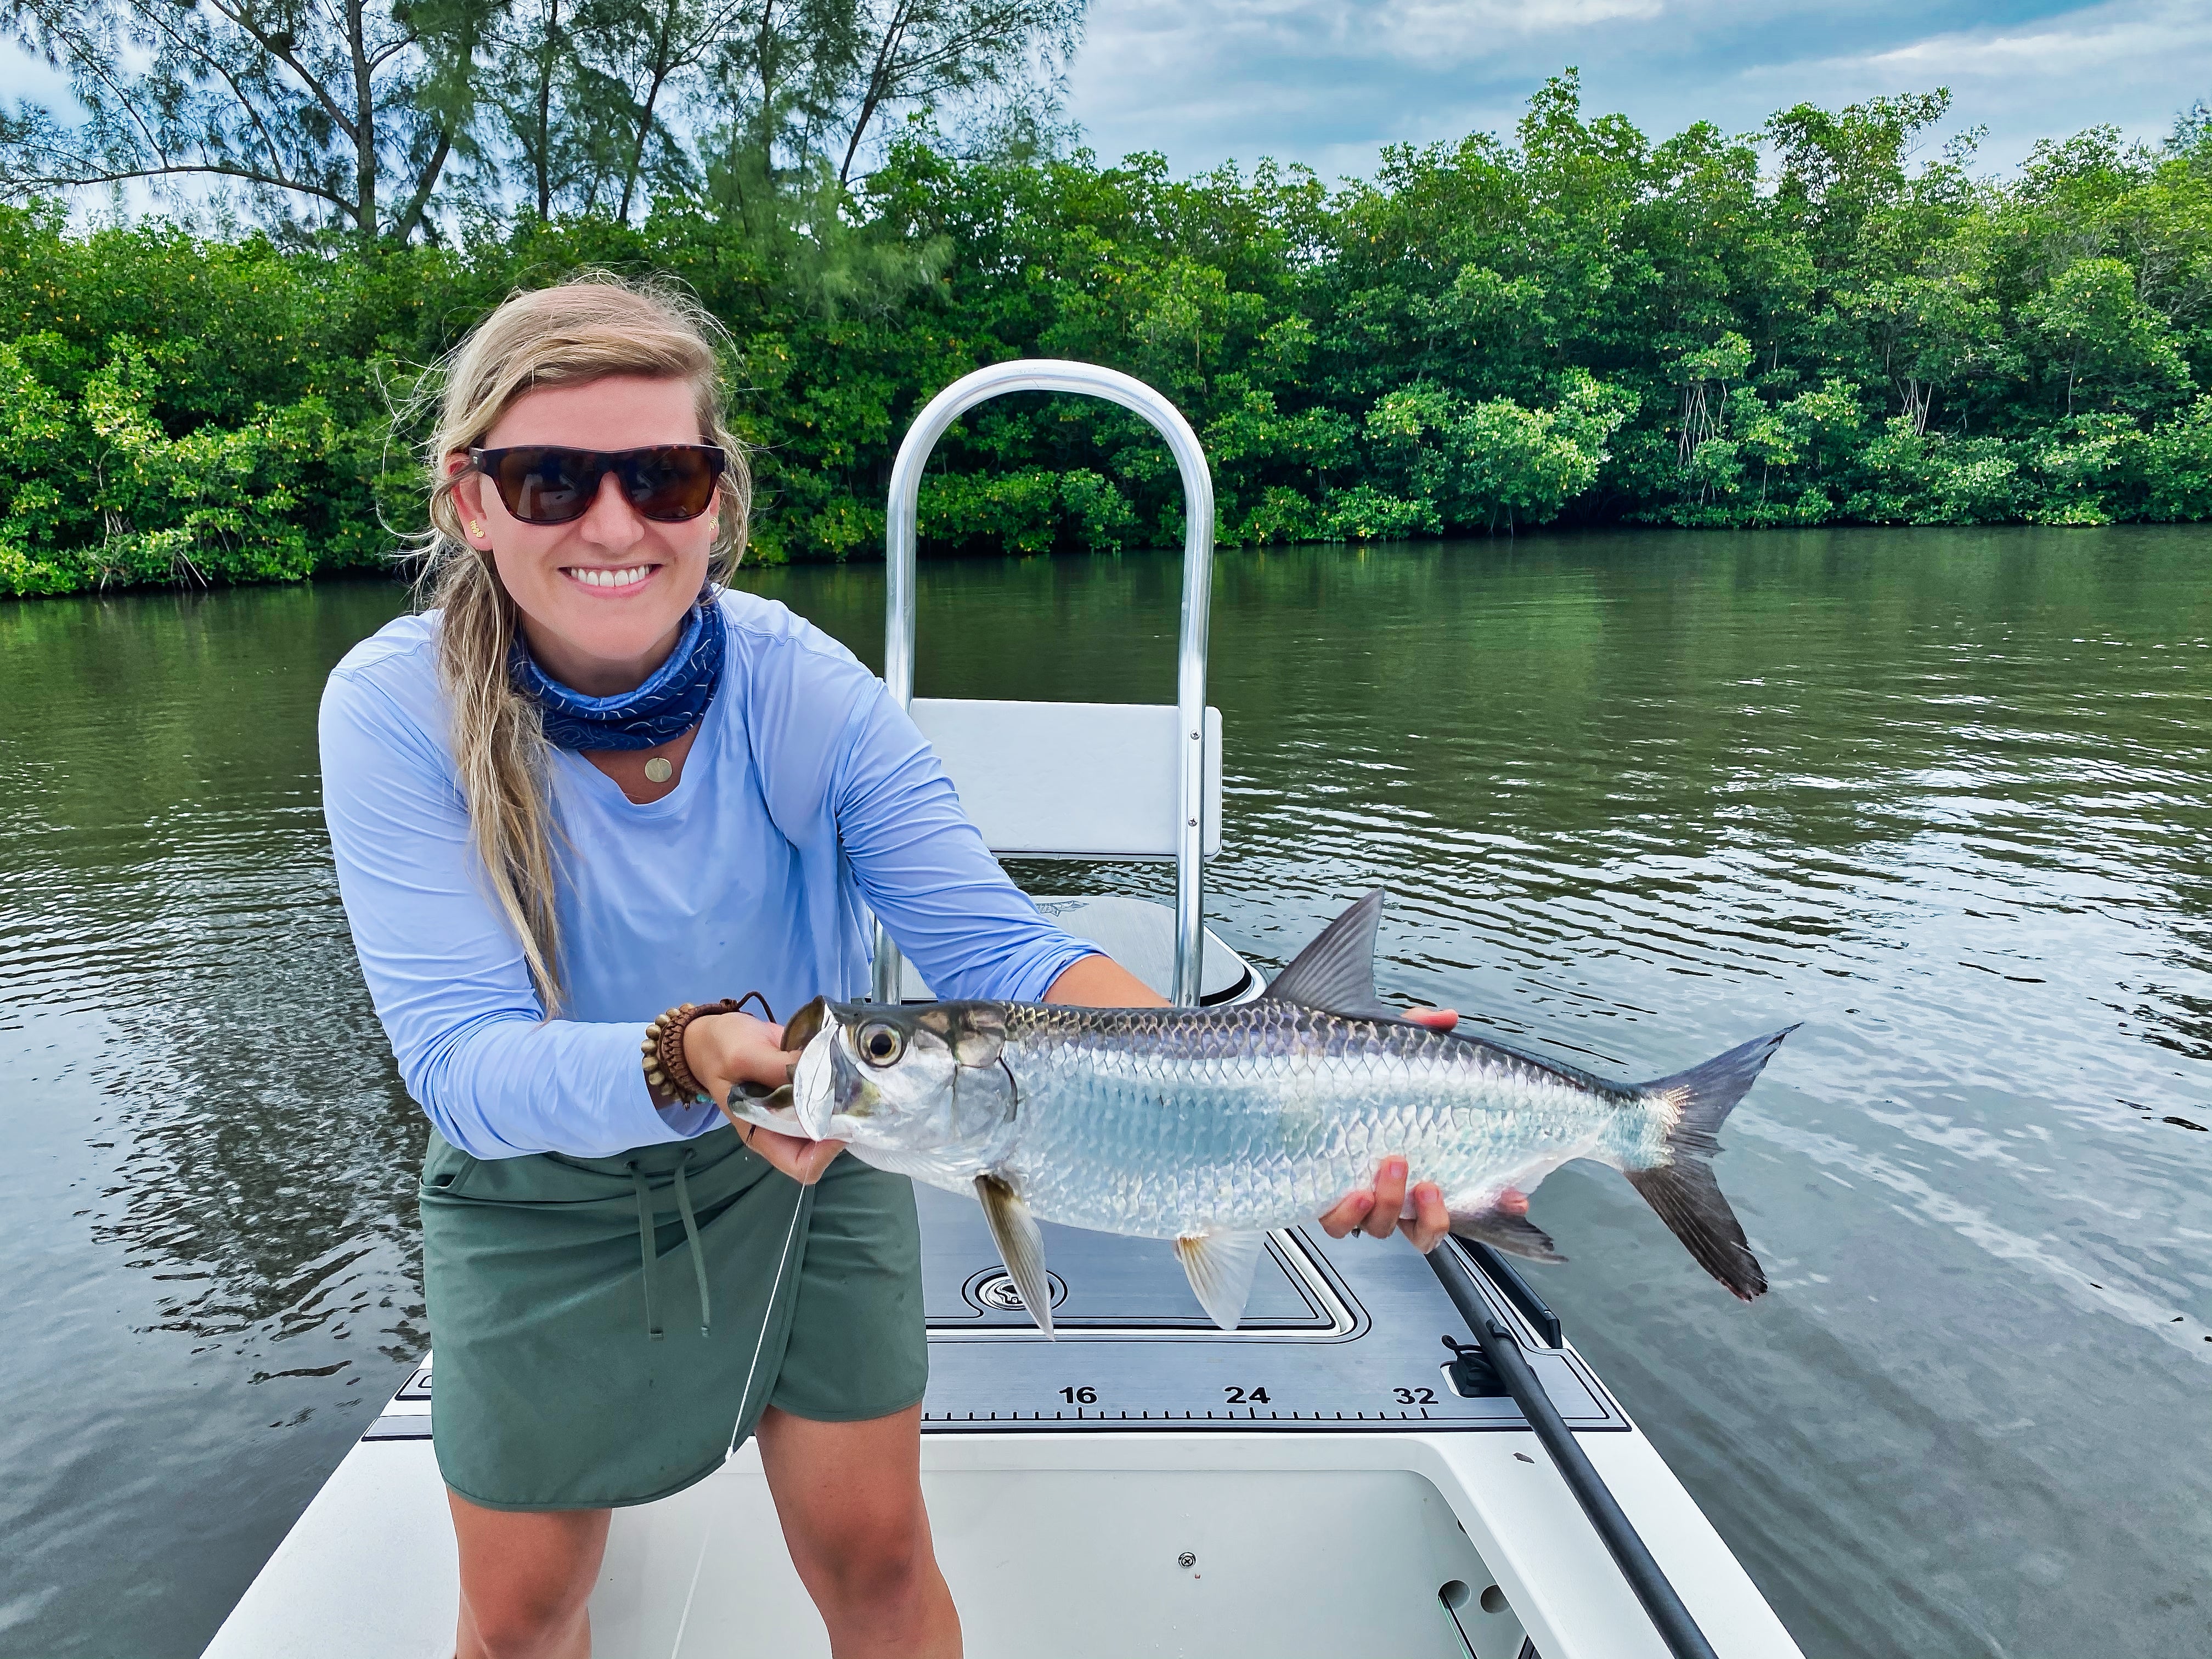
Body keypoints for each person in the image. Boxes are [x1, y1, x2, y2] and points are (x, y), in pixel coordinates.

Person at [320, 275, 1453, 1659]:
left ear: (719, 503)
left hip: (816, 1144)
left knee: (877, 1556)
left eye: (665, 477)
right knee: (522, 1615)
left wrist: (1281, 1082)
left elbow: (1000, 952)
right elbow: (461, 1071)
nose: (614, 525)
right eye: (552, 479)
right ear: (469, 500)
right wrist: (690, 1058)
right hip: (538, 1190)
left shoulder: (806, 686)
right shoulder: (391, 709)